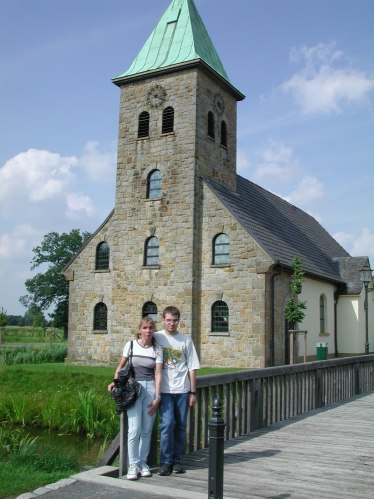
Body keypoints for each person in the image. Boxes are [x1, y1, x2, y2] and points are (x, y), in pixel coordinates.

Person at [108, 317, 162, 480]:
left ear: (153, 331)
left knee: (146, 431)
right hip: (133, 390)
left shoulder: (157, 349)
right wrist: (115, 382)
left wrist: (157, 397)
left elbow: (158, 374)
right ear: (139, 330)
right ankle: (133, 465)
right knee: (134, 430)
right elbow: (120, 367)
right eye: (145, 328)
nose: (148, 331)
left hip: (150, 389)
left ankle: (143, 463)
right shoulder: (130, 345)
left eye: (151, 328)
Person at [155, 306, 200, 476]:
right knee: (166, 425)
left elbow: (192, 367)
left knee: (180, 426)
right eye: (168, 320)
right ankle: (166, 462)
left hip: (182, 389)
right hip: (164, 390)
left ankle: (178, 460)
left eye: (174, 320)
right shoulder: (157, 337)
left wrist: (193, 392)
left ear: (178, 321)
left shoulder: (185, 340)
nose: (171, 323)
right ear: (163, 320)